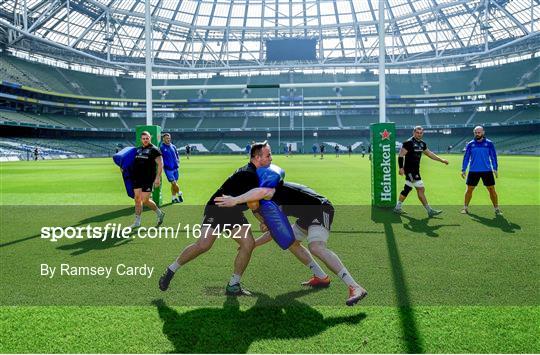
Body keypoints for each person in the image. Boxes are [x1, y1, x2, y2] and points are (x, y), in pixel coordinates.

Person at [215, 181, 368, 307]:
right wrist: (257, 238)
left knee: (316, 247)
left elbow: (274, 231)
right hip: (307, 215)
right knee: (291, 242)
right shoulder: (266, 198)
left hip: (321, 209)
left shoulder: (270, 200)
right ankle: (321, 277)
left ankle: (355, 287)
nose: (257, 215)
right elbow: (278, 233)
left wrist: (254, 243)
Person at [158, 141, 273, 296]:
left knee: (248, 244)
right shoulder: (249, 174)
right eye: (268, 155)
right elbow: (253, 204)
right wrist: (263, 221)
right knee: (203, 245)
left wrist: (263, 219)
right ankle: (171, 270)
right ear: (258, 157)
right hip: (217, 209)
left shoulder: (255, 173)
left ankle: (233, 284)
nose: (271, 158)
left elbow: (252, 202)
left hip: (233, 212)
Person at [394, 126, 449, 217]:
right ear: (414, 132)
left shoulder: (422, 144)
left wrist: (441, 160)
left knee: (407, 189)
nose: (419, 134)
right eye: (417, 132)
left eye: (421, 133)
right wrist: (401, 168)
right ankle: (429, 210)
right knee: (420, 189)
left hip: (416, 170)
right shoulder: (408, 143)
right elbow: (401, 155)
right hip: (410, 170)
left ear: (422, 133)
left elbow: (430, 154)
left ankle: (397, 207)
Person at [461, 126, 501, 215]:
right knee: (469, 189)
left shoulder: (489, 143)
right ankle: (465, 208)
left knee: (491, 189)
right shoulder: (470, 144)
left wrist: (495, 168)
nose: (477, 134)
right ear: (474, 133)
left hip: (487, 171)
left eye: (479, 132)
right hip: (473, 171)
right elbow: (466, 157)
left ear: (483, 132)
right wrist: (463, 169)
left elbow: (493, 156)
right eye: (475, 132)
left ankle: (497, 208)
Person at [129, 131, 165, 228]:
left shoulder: (154, 149)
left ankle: (159, 213)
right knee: (137, 199)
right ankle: (137, 221)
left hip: (148, 179)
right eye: (143, 139)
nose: (145, 140)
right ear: (141, 140)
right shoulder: (138, 149)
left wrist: (158, 178)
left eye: (147, 138)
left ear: (150, 138)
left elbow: (161, 164)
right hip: (137, 178)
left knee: (145, 200)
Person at [160, 133, 183, 204]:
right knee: (173, 183)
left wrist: (178, 162)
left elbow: (177, 155)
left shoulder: (173, 146)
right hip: (168, 169)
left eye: (169, 138)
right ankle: (179, 193)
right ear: (163, 139)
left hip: (175, 168)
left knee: (173, 184)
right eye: (166, 138)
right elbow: (160, 158)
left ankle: (173, 198)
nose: (168, 139)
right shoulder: (161, 147)